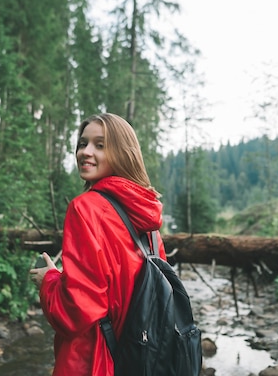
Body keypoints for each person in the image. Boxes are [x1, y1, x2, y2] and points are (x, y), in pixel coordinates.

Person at [29, 113, 166, 376]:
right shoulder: (147, 214)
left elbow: (76, 311)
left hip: (94, 361)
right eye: (82, 144)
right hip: (143, 356)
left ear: (123, 153)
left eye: (100, 145)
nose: (85, 152)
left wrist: (49, 281)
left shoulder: (85, 208)